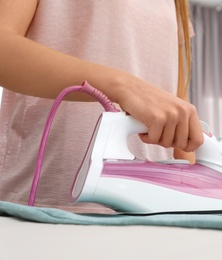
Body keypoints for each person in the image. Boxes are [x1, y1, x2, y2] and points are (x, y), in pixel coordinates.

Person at [0, 0, 204, 213]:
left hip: (153, 211)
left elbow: (179, 110)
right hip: (47, 205)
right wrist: (123, 86)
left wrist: (195, 200)